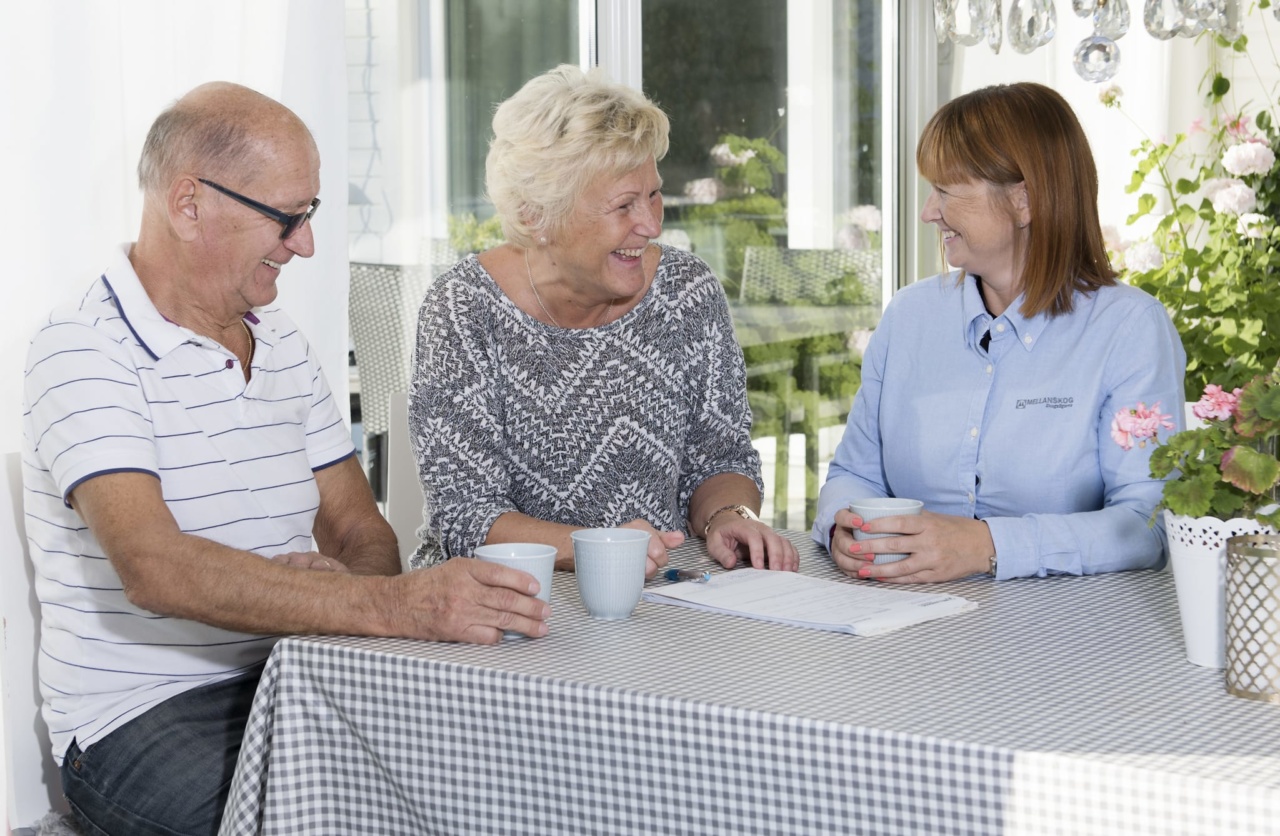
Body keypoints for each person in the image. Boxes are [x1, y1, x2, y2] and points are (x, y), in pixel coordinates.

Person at [22, 82, 549, 836]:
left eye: (312, 215)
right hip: (142, 720)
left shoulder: (282, 342)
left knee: (508, 783)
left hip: (300, 674)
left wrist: (350, 593)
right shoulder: (81, 348)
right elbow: (154, 567)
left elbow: (359, 531)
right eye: (286, 217)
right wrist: (385, 606)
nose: (304, 244)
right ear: (188, 203)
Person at [409, 65, 798, 576]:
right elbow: (468, 517)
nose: (652, 224)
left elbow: (720, 455)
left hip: (662, 597)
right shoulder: (463, 309)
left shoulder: (686, 292)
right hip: (501, 601)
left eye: (653, 194)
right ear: (535, 216)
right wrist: (600, 546)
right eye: (624, 205)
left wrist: (730, 515)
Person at [812, 82, 1186, 583]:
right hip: (894, 615)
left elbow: (1146, 522)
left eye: (946, 191)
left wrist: (988, 545)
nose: (927, 211)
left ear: (1023, 200)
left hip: (1063, 637)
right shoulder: (909, 317)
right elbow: (853, 474)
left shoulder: (1130, 329)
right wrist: (844, 527)